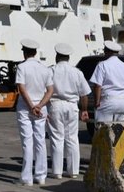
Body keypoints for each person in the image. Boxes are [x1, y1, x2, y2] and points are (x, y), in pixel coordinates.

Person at [47, 43, 91, 179]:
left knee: (57, 138)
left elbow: (46, 91)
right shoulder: (77, 72)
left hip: (55, 104)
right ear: (68, 58)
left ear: (57, 56)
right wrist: (84, 110)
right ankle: (73, 171)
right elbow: (84, 94)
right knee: (72, 138)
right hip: (72, 106)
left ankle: (57, 171)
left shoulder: (51, 70)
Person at [15, 39, 53, 186]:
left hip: (26, 108)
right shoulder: (45, 69)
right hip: (40, 107)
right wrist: (39, 105)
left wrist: (31, 106)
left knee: (27, 142)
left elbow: (22, 88)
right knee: (40, 141)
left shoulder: (21, 67)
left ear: (24, 52)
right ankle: (41, 176)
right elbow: (50, 90)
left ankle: (27, 178)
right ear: (36, 53)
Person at [90, 40, 124, 122]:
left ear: (107, 52)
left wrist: (96, 103)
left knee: (104, 130)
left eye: (104, 50)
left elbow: (97, 86)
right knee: (123, 131)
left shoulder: (102, 65)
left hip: (109, 102)